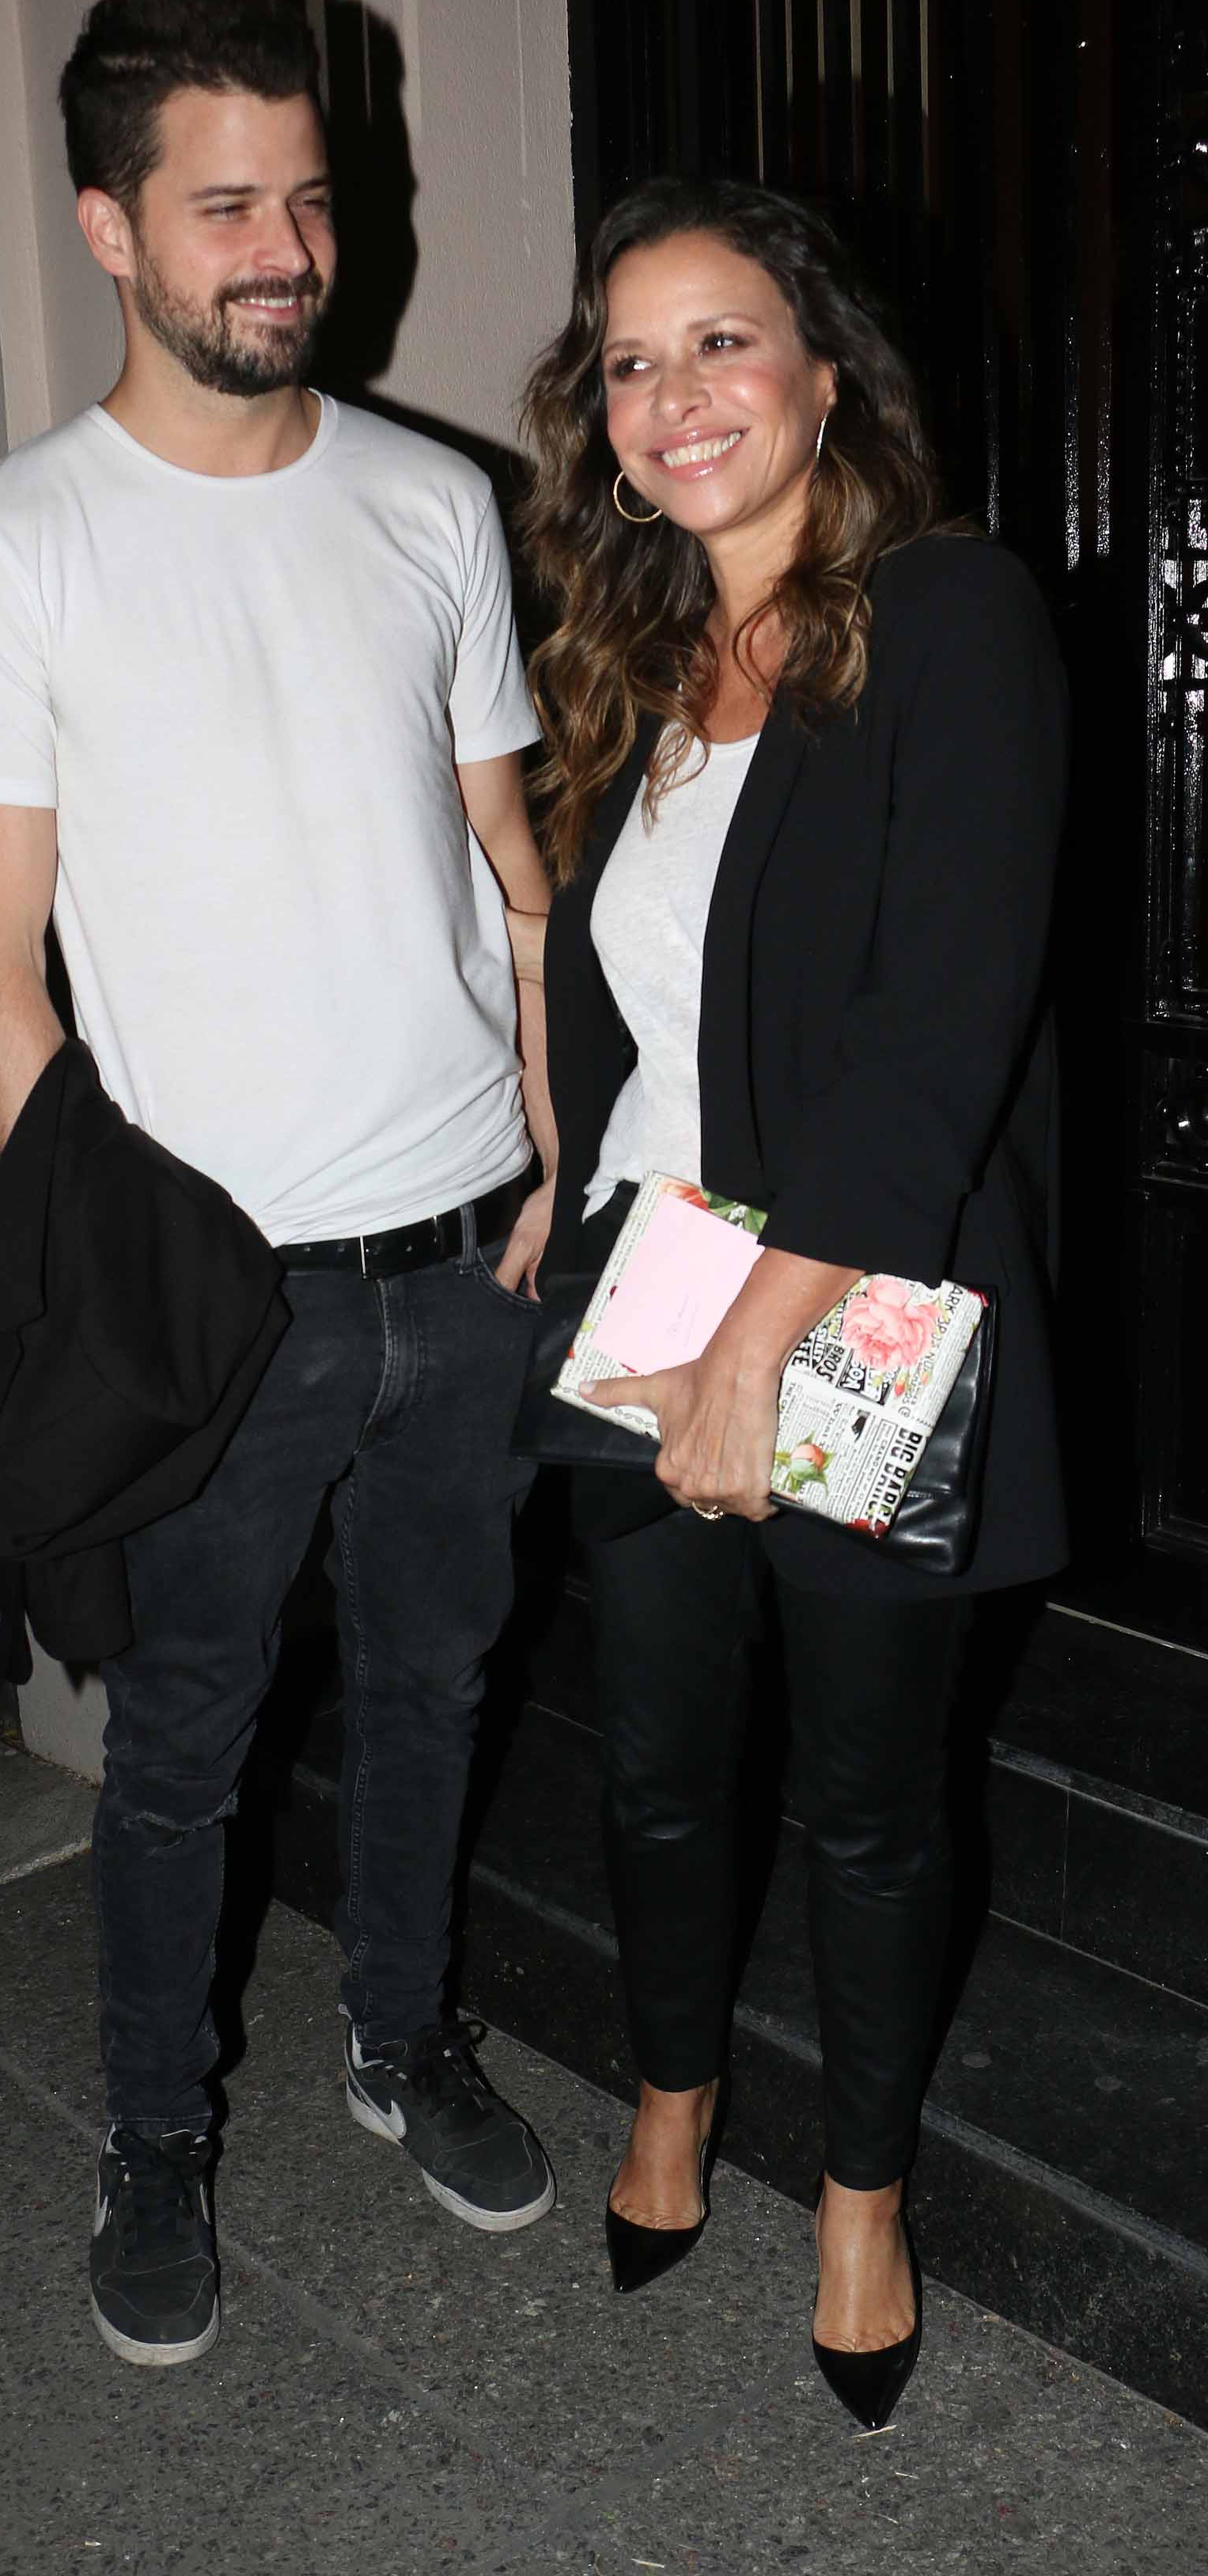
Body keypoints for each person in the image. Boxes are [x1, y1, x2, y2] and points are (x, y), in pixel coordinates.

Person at [0, 0, 559, 2372]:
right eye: (225, 206)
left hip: (461, 1253)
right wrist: (118, 1285)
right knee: (181, 1742)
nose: (286, 245)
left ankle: (401, 2037)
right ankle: (155, 2129)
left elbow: (507, 855)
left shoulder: (430, 497)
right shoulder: (9, 545)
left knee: (436, 1674)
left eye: (310, 195)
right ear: (108, 228)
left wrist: (553, 1133)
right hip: (217, 1294)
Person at [503, 177, 1066, 2429]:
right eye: (632, 362)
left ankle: (858, 2186)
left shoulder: (950, 617)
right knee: (648, 1762)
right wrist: (569, 1181)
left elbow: (941, 1025)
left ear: (826, 372)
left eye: (721, 343)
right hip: (642, 1292)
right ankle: (669, 2089)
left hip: (846, 1302)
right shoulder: (637, 670)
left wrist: (759, 1340)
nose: (675, 398)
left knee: (864, 1792)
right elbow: (631, 994)